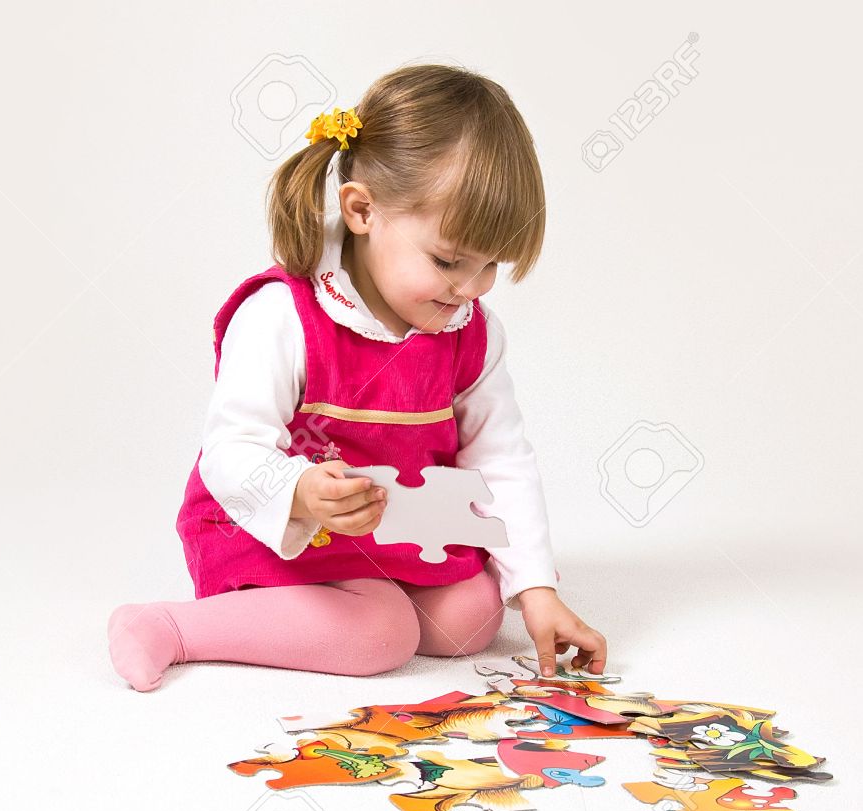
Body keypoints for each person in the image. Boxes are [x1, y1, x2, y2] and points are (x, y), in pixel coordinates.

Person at [107, 63, 607, 692]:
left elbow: (502, 456)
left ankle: (366, 598)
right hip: (270, 530)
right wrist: (299, 491)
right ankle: (171, 628)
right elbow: (230, 451)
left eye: (491, 267)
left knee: (475, 616)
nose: (470, 289)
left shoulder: (470, 332)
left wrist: (536, 588)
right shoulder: (283, 315)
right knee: (382, 634)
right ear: (363, 210)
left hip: (384, 540)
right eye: (450, 260)